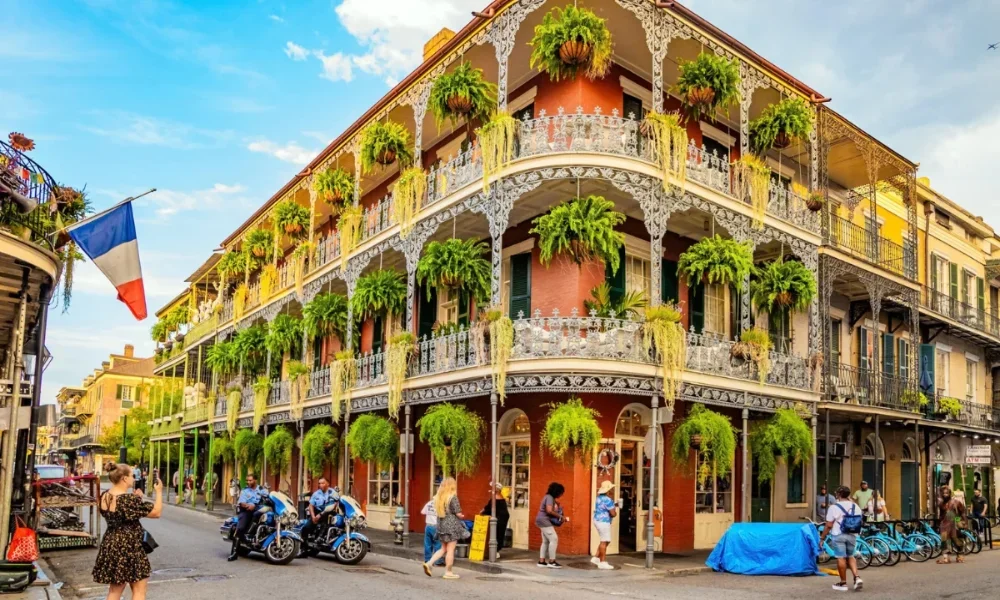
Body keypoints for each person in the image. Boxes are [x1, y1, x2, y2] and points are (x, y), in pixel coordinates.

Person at [92, 463, 163, 600]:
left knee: (114, 590)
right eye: (132, 475)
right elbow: (156, 513)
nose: (134, 478)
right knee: (138, 590)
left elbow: (122, 513)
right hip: (130, 545)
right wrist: (159, 492)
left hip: (111, 542)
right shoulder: (128, 500)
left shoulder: (105, 496)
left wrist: (137, 499)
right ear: (124, 478)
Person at [819, 485, 863, 592]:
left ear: (838, 494)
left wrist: (822, 537)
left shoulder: (834, 507)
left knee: (841, 558)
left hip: (838, 534)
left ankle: (843, 583)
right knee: (851, 556)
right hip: (852, 534)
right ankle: (857, 578)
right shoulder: (855, 506)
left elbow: (829, 525)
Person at [423, 477, 468, 580]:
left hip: (441, 525)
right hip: (451, 526)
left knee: (443, 548)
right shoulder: (452, 497)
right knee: (450, 549)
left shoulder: (439, 497)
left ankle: (429, 563)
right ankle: (448, 571)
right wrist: (461, 516)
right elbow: (457, 513)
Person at [228, 474, 264, 562]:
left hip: (260, 510)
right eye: (247, 480)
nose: (248, 482)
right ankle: (234, 553)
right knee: (240, 528)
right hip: (246, 511)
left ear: (255, 480)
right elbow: (242, 503)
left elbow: (270, 497)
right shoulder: (245, 491)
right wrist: (248, 505)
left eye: (250, 480)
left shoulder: (262, 490)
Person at [535, 482, 567, 569]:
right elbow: (549, 510)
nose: (561, 495)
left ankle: (542, 561)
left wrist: (558, 505)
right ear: (557, 492)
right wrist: (560, 516)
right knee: (554, 539)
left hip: (540, 520)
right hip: (544, 521)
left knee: (545, 541)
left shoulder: (547, 497)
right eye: (561, 493)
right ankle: (552, 561)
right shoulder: (549, 498)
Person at [300, 477, 337, 549]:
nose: (320, 485)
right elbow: (311, 505)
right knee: (306, 527)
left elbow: (333, 505)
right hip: (317, 512)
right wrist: (313, 516)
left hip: (329, 512)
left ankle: (320, 537)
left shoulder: (333, 493)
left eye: (323, 483)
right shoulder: (316, 493)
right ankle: (303, 547)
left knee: (327, 517)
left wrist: (320, 515)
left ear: (327, 483)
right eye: (319, 483)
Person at [591, 481, 618, 570]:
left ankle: (596, 557)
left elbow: (604, 507)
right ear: (608, 490)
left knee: (606, 540)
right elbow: (613, 514)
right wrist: (615, 511)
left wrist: (614, 505)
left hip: (597, 520)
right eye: (611, 489)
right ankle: (602, 562)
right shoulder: (608, 500)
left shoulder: (599, 498)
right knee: (604, 541)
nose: (612, 490)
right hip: (604, 521)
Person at [481, 483, 510, 558]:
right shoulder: (501, 497)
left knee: (496, 533)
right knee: (500, 533)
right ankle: (496, 550)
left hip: (500, 517)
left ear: (496, 490)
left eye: (492, 488)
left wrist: (482, 512)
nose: (491, 490)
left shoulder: (494, 498)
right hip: (503, 517)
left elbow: (488, 507)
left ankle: (495, 551)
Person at [421, 496, 444, 566]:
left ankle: (427, 560)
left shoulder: (429, 503)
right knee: (438, 544)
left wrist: (430, 514)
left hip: (428, 526)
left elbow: (422, 512)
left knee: (427, 544)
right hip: (435, 526)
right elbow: (443, 516)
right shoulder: (439, 505)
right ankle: (438, 561)